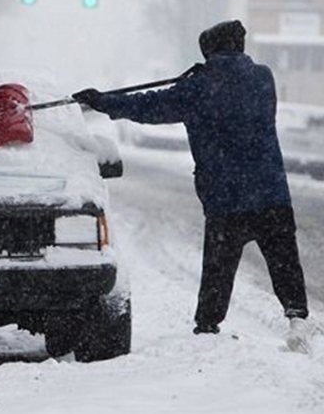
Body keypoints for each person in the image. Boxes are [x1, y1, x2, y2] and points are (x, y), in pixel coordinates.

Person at [72, 20, 310, 352]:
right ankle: (297, 319)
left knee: (218, 268)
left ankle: (208, 329)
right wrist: (205, 74)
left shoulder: (198, 88)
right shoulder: (263, 78)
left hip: (227, 199)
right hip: (272, 193)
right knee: (284, 259)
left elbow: (148, 106)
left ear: (210, 51)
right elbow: (233, 85)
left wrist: (103, 101)